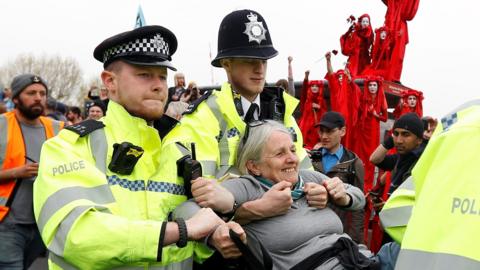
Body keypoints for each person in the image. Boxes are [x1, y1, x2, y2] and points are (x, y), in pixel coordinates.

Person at [33, 25, 242, 269]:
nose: (158, 86)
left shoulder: (179, 151)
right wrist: (182, 231)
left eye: (162, 77)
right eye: (144, 75)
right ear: (110, 81)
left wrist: (214, 236)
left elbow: (193, 241)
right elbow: (76, 235)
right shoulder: (70, 146)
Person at [182, 120, 375, 269]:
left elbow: (358, 197)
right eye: (280, 154)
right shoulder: (250, 187)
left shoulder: (308, 177)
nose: (292, 159)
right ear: (254, 166)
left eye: (292, 150)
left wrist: (340, 196)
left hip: (359, 259)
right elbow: (184, 209)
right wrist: (215, 232)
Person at [163, 9, 311, 180]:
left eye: (264, 61)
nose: (259, 69)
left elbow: (306, 172)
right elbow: (202, 190)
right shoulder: (205, 116)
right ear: (227, 64)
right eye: (250, 61)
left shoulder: (282, 111)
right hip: (229, 206)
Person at [0, 74, 64, 269]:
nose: (38, 97)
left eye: (42, 93)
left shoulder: (58, 129)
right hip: (7, 222)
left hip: (43, 223)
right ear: (16, 98)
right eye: (31, 93)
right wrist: (15, 172)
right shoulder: (1, 125)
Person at [310, 111, 365, 244]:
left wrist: (354, 240)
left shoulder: (353, 162)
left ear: (343, 131)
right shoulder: (310, 157)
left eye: (329, 131)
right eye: (321, 131)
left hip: (337, 232)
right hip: (310, 229)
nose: (324, 136)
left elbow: (359, 207)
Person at [382, 0, 420, 83]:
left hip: (399, 26)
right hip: (389, 23)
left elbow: (410, 13)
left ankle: (393, 78)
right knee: (385, 52)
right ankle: (385, 75)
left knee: (398, 54)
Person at [298, 70, 327, 150]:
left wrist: (320, 108)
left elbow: (325, 116)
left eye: (316, 86)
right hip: (306, 132)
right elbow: (304, 91)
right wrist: (306, 78)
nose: (314, 87)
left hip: (317, 133)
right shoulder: (306, 100)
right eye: (312, 86)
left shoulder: (322, 101)